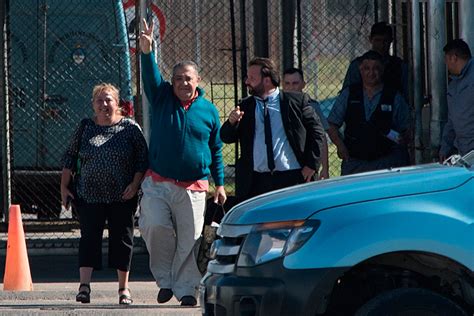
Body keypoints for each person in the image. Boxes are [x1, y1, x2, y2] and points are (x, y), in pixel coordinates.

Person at [138, 19, 226, 307]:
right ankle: (165, 280)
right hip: (158, 182)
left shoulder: (209, 111)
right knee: (155, 227)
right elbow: (150, 78)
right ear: (172, 82)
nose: (183, 83)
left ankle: (187, 289)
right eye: (178, 79)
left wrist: (220, 183)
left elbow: (215, 149)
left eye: (188, 78)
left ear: (197, 81)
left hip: (194, 186)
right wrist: (147, 52)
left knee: (191, 239)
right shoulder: (162, 98)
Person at [60, 83, 148, 305]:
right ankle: (84, 287)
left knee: (122, 240)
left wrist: (135, 185)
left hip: (122, 196)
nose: (104, 104)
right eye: (99, 100)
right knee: (89, 239)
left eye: (108, 100)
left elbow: (142, 160)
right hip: (89, 195)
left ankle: (123, 289)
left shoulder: (130, 128)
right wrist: (64, 186)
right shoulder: (85, 127)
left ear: (117, 103)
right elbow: (70, 157)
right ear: (93, 105)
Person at [220, 57, 325, 201]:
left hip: (291, 176)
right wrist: (231, 123)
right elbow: (226, 137)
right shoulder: (246, 106)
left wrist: (311, 165)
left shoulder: (295, 101)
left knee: (292, 221)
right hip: (256, 180)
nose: (247, 81)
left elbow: (317, 133)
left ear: (267, 80)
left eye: (252, 77)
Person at [328, 51, 410, 175]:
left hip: (386, 162)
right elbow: (331, 124)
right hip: (354, 162)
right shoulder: (349, 94)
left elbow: (407, 130)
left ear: (382, 69)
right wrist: (340, 146)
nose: (371, 73)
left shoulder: (394, 96)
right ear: (360, 70)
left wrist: (395, 137)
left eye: (376, 68)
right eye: (367, 68)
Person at [283, 67, 330, 179]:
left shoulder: (312, 106)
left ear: (303, 84)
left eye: (295, 83)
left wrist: (325, 168)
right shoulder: (277, 106)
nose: (291, 87)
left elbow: (321, 137)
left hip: (307, 164)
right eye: (287, 83)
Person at [342, 21, 408, 100]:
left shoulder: (400, 66)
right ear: (370, 39)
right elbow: (346, 95)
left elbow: (407, 95)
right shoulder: (357, 65)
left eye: (385, 41)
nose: (382, 45)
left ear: (391, 41)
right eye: (378, 40)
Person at [439, 39, 474, 161]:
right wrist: (445, 146)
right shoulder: (454, 85)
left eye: (446, 60)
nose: (446, 65)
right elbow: (452, 120)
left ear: (454, 58)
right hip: (464, 152)